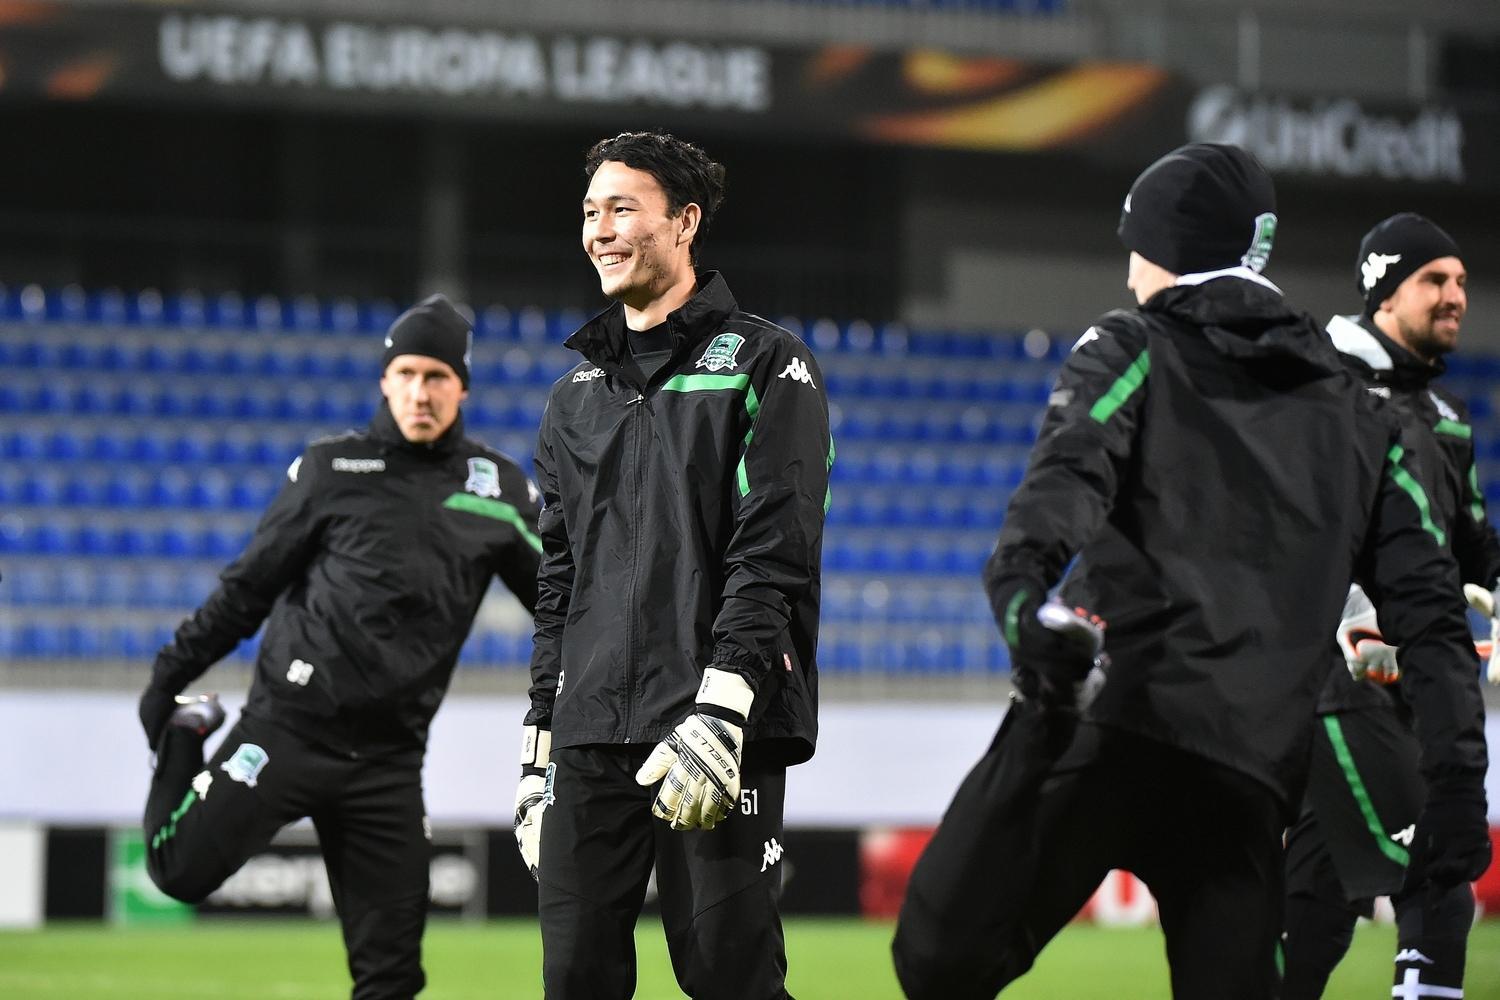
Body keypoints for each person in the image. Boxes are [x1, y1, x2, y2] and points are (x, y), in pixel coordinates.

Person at [892, 144, 1491, 1000]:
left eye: (1136, 248)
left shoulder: (1133, 341)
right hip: (1246, 778)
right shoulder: (1367, 417)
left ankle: (1039, 725)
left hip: (1113, 725)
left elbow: (1065, 481)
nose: (1131, 271)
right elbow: (1430, 610)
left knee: (938, 960)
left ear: (1165, 249)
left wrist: (1022, 598)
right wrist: (1460, 784)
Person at [136, 294, 542, 1000]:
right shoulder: (331, 468)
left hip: (389, 760)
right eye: (407, 373)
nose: (420, 391)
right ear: (385, 380)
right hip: (288, 729)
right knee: (178, 873)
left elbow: (562, 603)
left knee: (391, 978)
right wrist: (169, 676)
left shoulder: (500, 489)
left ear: (462, 387)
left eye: (437, 376)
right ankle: (185, 738)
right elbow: (247, 589)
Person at [512, 131, 832, 999]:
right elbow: (558, 585)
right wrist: (539, 745)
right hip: (587, 733)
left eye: (623, 209)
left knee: (729, 976)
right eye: (590, 211)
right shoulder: (572, 397)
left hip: (716, 723)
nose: (599, 230)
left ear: (685, 222)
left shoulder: (769, 362)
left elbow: (774, 551)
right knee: (575, 977)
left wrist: (723, 706)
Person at [1282, 214, 1498, 999]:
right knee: (1436, 878)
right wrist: (1348, 616)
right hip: (1336, 688)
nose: (1456, 296)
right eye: (1434, 280)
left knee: (1311, 915)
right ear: (1382, 289)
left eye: (1462, 281)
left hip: (1408, 688)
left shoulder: (1447, 420)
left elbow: (1475, 548)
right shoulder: (1317, 389)